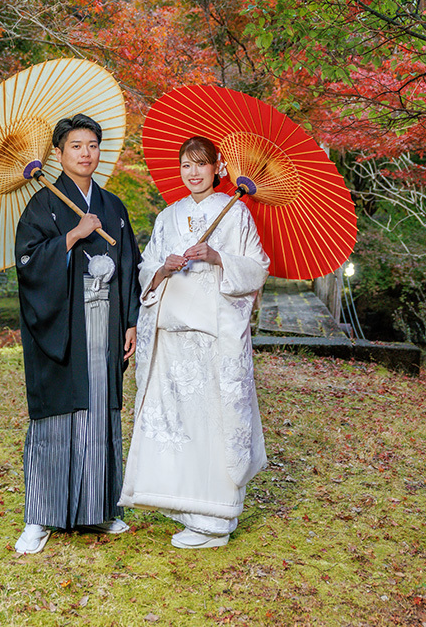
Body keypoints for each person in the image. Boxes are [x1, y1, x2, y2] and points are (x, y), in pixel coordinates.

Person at [119, 135, 269, 549]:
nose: (193, 172)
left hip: (213, 337)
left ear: (217, 168)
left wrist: (218, 257)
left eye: (201, 163)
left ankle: (217, 520)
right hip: (173, 338)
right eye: (186, 164)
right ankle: (188, 509)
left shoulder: (236, 212)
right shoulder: (168, 217)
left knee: (213, 425)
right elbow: (146, 268)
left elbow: (257, 268)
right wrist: (163, 269)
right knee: (178, 426)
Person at [14, 113, 141, 554]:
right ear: (58, 153)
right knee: (58, 415)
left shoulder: (113, 206)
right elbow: (28, 264)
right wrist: (71, 236)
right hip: (62, 323)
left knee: (99, 411)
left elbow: (130, 265)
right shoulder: (41, 205)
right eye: (76, 146)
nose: (86, 153)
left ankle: (98, 510)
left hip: (106, 323)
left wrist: (131, 320)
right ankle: (40, 517)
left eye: (92, 145)